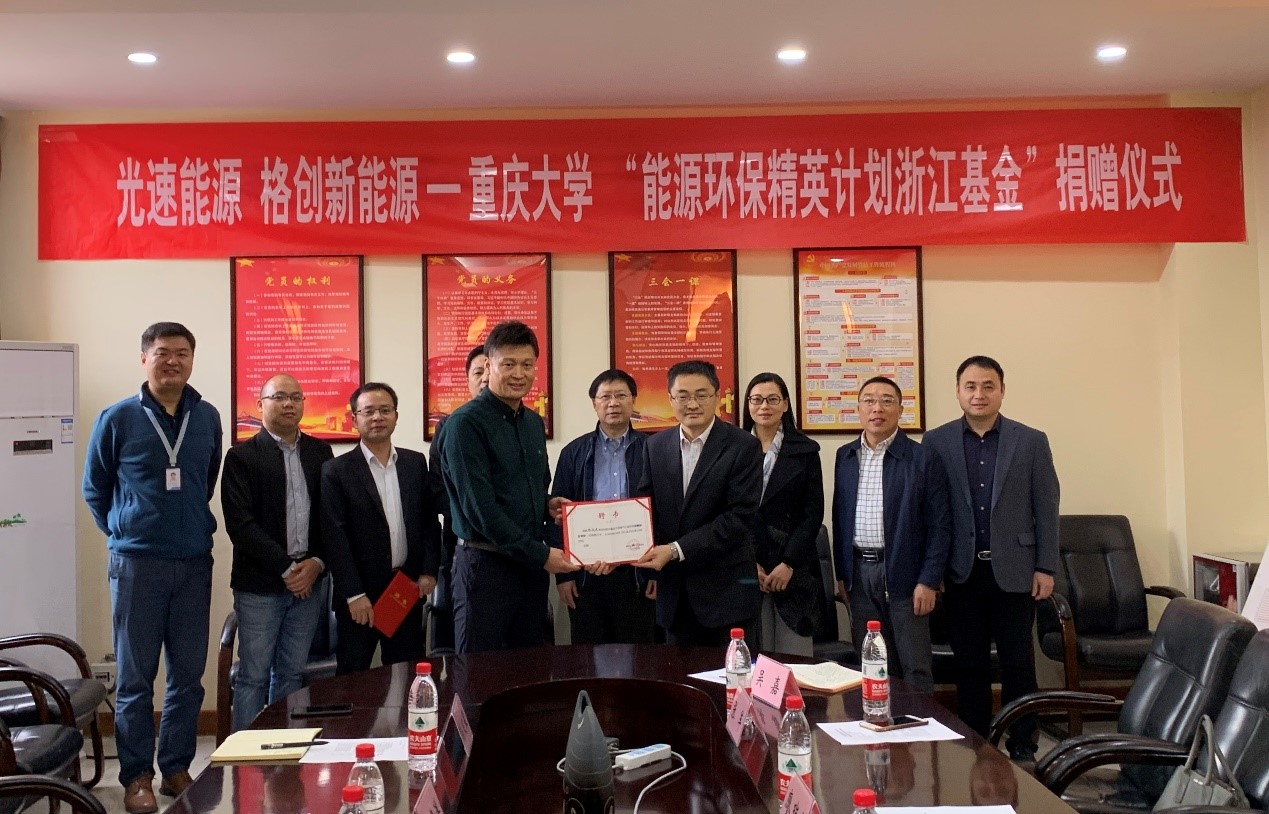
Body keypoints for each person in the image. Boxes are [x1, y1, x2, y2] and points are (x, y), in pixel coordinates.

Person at [82, 322, 222, 813]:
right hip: (137, 566)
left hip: (193, 563)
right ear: (145, 358)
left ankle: (176, 766)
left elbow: (205, 480)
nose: (173, 361)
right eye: (163, 352)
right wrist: (126, 530)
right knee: (136, 678)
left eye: (182, 353)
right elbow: (95, 489)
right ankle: (137, 775)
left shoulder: (207, 417)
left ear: (192, 360)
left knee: (187, 675)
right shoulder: (117, 417)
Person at [922, 355, 1059, 761]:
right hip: (961, 571)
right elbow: (932, 510)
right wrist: (933, 569)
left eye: (988, 386)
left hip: (1016, 569)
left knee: (1019, 664)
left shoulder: (1031, 440)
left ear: (1002, 390)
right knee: (970, 665)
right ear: (958, 391)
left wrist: (1046, 566)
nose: (978, 394)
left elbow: (1046, 506)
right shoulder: (937, 441)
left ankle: (1023, 744)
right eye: (970, 386)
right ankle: (976, 743)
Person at [436, 321, 580, 653]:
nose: (519, 374)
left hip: (529, 569)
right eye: (509, 364)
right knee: (478, 671)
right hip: (485, 567)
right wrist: (542, 554)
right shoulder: (464, 424)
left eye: (527, 365)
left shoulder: (532, 423)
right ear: (489, 366)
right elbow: (481, 511)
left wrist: (546, 505)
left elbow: (527, 487)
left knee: (529, 666)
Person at [220, 374, 334, 731]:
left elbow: (330, 517)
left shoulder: (320, 453)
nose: (289, 404)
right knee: (253, 676)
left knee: (292, 673)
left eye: (296, 397)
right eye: (279, 397)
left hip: (309, 583)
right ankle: (247, 756)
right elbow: (241, 525)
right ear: (260, 405)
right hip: (260, 586)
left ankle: (286, 750)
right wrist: (287, 569)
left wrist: (316, 563)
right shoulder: (241, 457)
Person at [831, 375, 950, 694]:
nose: (877, 408)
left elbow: (940, 526)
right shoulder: (845, 456)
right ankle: (879, 721)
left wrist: (929, 580)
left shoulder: (922, 458)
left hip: (906, 575)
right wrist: (842, 574)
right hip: (859, 574)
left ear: (900, 409)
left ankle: (918, 725)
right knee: (873, 664)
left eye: (886, 401)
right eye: (869, 401)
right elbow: (840, 516)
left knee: (914, 666)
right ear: (858, 408)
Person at [634, 360, 762, 646]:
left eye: (701, 395)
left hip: (726, 597)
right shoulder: (655, 446)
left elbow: (738, 519)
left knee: (730, 674)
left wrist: (675, 550)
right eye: (683, 396)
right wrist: (618, 551)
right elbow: (645, 510)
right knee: (679, 674)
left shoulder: (743, 446)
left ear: (717, 396)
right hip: (675, 597)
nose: (692, 404)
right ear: (670, 399)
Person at [321, 382, 441, 674]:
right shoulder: (336, 470)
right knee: (353, 678)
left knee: (405, 673)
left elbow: (428, 521)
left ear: (396, 416)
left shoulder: (414, 463)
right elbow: (335, 537)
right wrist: (353, 595)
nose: (377, 417)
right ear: (355, 419)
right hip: (359, 596)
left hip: (404, 589)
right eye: (369, 411)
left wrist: (428, 571)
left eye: (385, 410)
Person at [549, 369, 656, 644]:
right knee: (588, 654)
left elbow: (664, 512)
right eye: (605, 396)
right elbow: (558, 515)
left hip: (637, 576)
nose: (613, 403)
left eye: (621, 395)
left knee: (640, 655)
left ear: (633, 400)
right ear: (594, 403)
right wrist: (562, 578)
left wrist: (658, 573)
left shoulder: (653, 449)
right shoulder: (573, 452)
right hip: (585, 577)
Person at [742, 372, 824, 657]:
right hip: (747, 567)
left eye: (772, 399)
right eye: (757, 399)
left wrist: (788, 563)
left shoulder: (805, 450)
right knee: (752, 656)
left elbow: (813, 513)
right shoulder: (734, 448)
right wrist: (750, 562)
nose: (764, 406)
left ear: (786, 404)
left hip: (793, 568)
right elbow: (729, 512)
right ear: (748, 405)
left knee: (794, 660)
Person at [426, 345, 488, 652]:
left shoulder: (525, 423)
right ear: (468, 380)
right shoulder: (449, 426)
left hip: (517, 554)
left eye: (490, 371)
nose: (485, 379)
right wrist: (475, 518)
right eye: (478, 373)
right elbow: (438, 490)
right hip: (462, 547)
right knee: (466, 641)